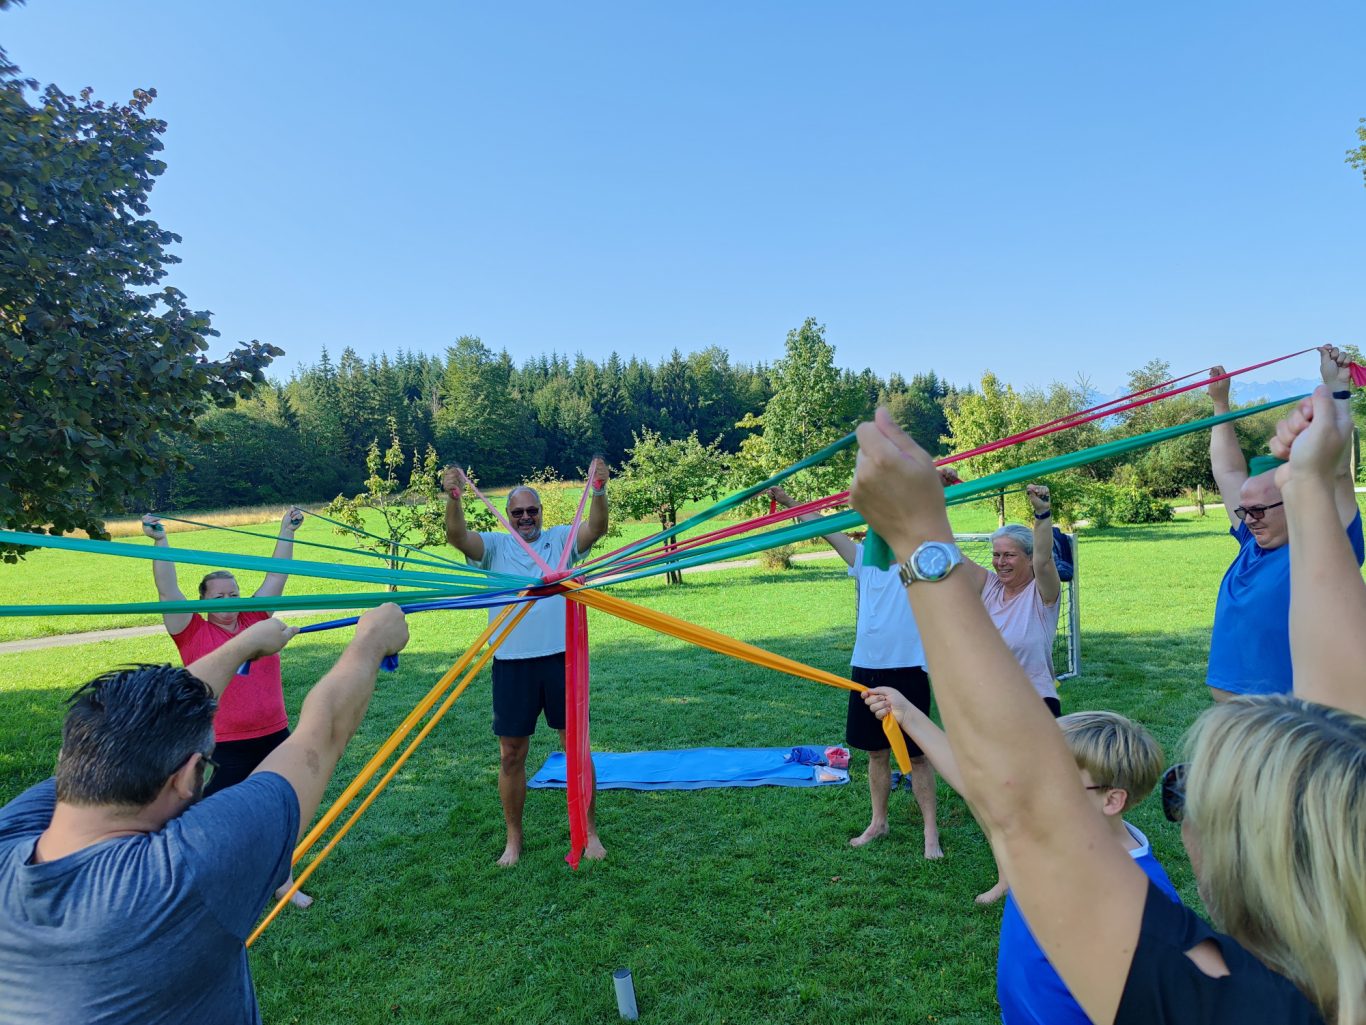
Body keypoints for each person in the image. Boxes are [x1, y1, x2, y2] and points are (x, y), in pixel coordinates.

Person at [848, 397, 1364, 1024]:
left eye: (1186, 791)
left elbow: (1024, 809)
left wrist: (917, 539)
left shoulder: (1207, 986)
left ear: (1258, 861)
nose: (1184, 801)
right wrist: (1309, 482)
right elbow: (1345, 713)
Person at [0, 604, 411, 1024]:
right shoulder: (182, 873)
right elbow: (323, 733)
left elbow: (151, 720)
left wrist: (244, 645)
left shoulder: (12, 832)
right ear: (185, 778)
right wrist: (372, 639)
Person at [864, 688, 1180, 1025]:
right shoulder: (1049, 826)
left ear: (1112, 800)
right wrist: (908, 714)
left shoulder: (1142, 902)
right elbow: (975, 782)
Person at [143, 507, 314, 908]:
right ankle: (218, 883)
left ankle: (283, 881)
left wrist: (287, 530)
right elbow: (168, 591)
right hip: (222, 744)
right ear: (202, 600)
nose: (229, 601)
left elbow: (276, 576)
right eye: (219, 596)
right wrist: (160, 541)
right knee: (219, 821)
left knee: (280, 809)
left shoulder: (256, 620)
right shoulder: (190, 630)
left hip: (274, 735)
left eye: (234, 594)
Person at [443, 461, 611, 867]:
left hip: (562, 661)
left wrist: (599, 490)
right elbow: (457, 536)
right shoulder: (494, 548)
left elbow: (597, 527)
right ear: (507, 515)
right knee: (511, 754)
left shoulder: (561, 540)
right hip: (512, 664)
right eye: (517, 512)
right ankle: (514, 839)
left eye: (531, 510)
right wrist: (453, 498)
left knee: (575, 747)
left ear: (541, 513)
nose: (524, 517)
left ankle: (589, 832)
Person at [766, 481, 947, 857]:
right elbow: (823, 527)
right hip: (865, 670)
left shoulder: (915, 566)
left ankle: (930, 830)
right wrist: (788, 501)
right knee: (875, 753)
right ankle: (878, 822)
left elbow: (931, 524)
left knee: (917, 756)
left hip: (908, 669)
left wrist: (932, 488)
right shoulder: (864, 561)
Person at [1204, 344, 1364, 701]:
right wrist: (1220, 403)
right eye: (1244, 511)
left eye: (1259, 511)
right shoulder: (1252, 541)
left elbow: (1338, 473)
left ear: (1292, 501)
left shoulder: (1324, 548)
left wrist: (1336, 389)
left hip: (1289, 719)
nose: (1249, 520)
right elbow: (1226, 469)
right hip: (1236, 719)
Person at [951, 483, 1061, 903]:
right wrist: (936, 499)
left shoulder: (1043, 592)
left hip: (1033, 704)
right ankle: (1008, 876)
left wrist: (1042, 514)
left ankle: (1048, 866)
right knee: (996, 796)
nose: (1000, 562)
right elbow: (947, 551)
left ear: (1027, 558)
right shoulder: (990, 587)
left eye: (1009, 555)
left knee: (1034, 793)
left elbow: (1046, 558)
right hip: (990, 707)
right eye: (996, 555)